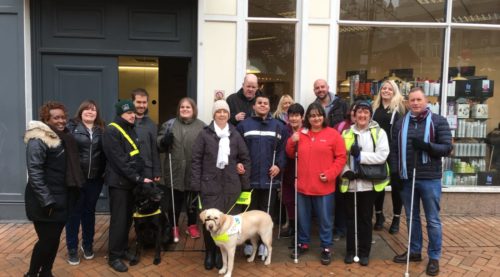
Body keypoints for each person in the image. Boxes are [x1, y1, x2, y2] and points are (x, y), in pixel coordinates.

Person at [391, 87, 452, 276]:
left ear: (426, 101)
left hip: (430, 179)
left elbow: (447, 148)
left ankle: (434, 257)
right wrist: (395, 174)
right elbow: (394, 151)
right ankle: (415, 251)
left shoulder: (438, 121)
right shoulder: (401, 123)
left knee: (432, 220)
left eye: (418, 99)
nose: (415, 103)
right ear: (408, 102)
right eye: (412, 100)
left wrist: (427, 147)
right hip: (407, 178)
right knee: (412, 218)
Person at [24, 101, 84, 277]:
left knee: (54, 239)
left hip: (63, 198)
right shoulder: (39, 138)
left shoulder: (65, 136)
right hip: (45, 201)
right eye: (56, 117)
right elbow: (34, 172)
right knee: (46, 241)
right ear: (46, 119)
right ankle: (31, 274)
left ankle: (47, 272)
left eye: (63, 117)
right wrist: (47, 200)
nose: (61, 121)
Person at [190, 100, 251, 271]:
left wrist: (244, 181)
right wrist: (196, 186)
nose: (222, 114)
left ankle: (221, 255)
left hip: (231, 187)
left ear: (229, 114)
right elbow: (196, 161)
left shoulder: (235, 134)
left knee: (227, 224)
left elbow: (244, 158)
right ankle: (210, 253)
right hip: (209, 186)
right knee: (210, 222)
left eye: (225, 111)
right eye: (219, 111)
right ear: (214, 114)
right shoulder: (204, 135)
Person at [286, 102, 347, 265]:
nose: (316, 118)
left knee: (325, 220)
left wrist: (331, 174)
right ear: (308, 118)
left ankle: (326, 247)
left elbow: (341, 157)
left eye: (319, 115)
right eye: (312, 115)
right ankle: (303, 243)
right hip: (303, 186)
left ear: (323, 116)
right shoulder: (301, 133)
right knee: (303, 219)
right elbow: (291, 154)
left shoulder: (333, 134)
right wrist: (292, 141)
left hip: (324, 187)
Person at [103, 100, 153, 273]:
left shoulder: (129, 129)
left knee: (126, 220)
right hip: (119, 184)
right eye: (128, 113)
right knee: (119, 221)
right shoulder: (111, 131)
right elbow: (119, 162)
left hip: (130, 183)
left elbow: (134, 156)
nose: (132, 115)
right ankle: (114, 256)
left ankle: (123, 250)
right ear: (120, 114)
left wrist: (140, 177)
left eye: (133, 112)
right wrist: (138, 178)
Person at [236, 95, 288, 256]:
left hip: (269, 179)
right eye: (259, 103)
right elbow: (237, 149)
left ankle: (265, 244)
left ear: (269, 106)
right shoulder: (243, 125)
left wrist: (278, 165)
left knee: (266, 214)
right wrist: (237, 163)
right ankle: (249, 244)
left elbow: (283, 150)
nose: (263, 105)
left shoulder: (279, 126)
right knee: (248, 214)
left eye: (266, 103)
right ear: (254, 106)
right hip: (249, 179)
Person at [340, 101, 390, 266]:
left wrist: (360, 157)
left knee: (365, 219)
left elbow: (382, 155)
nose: (362, 115)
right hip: (351, 184)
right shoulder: (346, 133)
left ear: (370, 115)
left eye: (365, 112)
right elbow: (340, 157)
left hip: (369, 184)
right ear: (354, 115)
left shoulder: (379, 133)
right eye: (359, 112)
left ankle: (364, 252)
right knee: (350, 219)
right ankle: (350, 251)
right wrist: (346, 170)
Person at [157, 97, 206, 239]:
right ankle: (174, 226)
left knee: (192, 201)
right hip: (175, 169)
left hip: (194, 169)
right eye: (182, 107)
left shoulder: (202, 126)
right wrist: (164, 141)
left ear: (193, 110)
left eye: (188, 107)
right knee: (174, 201)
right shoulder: (169, 125)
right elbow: (159, 144)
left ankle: (192, 226)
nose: (184, 109)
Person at [65, 100, 106, 265]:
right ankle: (72, 249)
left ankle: (87, 245)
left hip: (95, 180)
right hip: (76, 179)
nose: (90, 112)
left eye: (93, 110)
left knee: (89, 213)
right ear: (81, 112)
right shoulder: (71, 128)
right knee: (74, 214)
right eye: (87, 110)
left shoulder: (102, 130)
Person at [371, 80, 406, 233]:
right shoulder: (374, 108)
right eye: (383, 88)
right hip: (377, 152)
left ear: (394, 91)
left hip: (394, 153)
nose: (386, 91)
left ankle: (396, 219)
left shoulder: (400, 108)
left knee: (397, 187)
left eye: (389, 89)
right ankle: (379, 216)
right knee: (378, 186)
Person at [332, 102, 357, 241]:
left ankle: (355, 231)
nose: (356, 114)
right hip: (342, 171)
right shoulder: (341, 126)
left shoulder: (371, 128)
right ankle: (340, 229)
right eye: (354, 111)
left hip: (361, 172)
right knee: (341, 202)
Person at [280, 103, 304, 239]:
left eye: (296, 116)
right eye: (291, 116)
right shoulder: (284, 130)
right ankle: (292, 225)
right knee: (288, 199)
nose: (294, 119)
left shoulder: (307, 130)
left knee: (301, 200)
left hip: (302, 170)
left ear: (302, 117)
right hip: (288, 169)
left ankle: (301, 228)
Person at [132, 88, 161, 182]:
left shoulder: (152, 125)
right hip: (129, 168)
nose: (141, 105)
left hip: (147, 169)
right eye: (138, 102)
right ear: (132, 102)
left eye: (144, 102)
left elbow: (155, 150)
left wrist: (157, 171)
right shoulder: (125, 122)